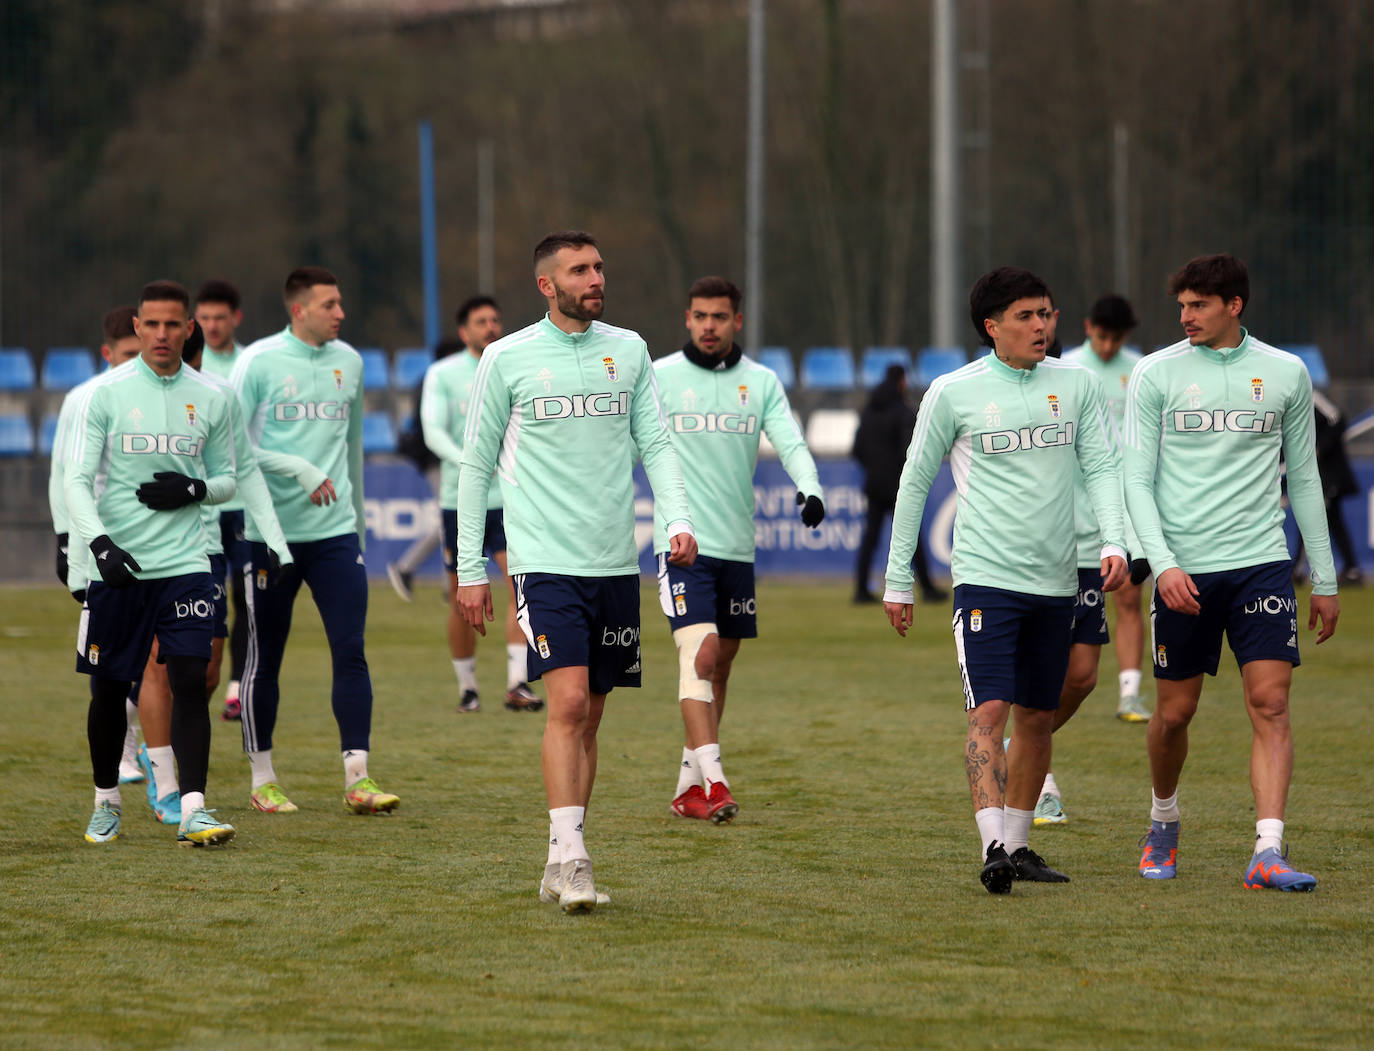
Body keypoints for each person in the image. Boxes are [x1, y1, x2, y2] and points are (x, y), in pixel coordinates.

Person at [455, 231, 696, 913]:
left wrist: (677, 520)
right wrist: (471, 565)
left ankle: (560, 855)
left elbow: (657, 443)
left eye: (598, 267)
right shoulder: (506, 358)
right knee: (563, 703)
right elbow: (474, 466)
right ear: (546, 284)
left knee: (589, 716)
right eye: (580, 270)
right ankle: (577, 859)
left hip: (614, 564)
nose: (595, 278)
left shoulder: (631, 350)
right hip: (542, 563)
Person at [883, 266, 1127, 894]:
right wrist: (898, 580)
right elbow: (913, 482)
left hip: (1056, 583)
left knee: (1040, 718)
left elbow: (1101, 464)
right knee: (989, 711)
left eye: (1046, 313)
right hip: (986, 581)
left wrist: (1114, 538)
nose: (1041, 325)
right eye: (1025, 316)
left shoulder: (1075, 386)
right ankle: (992, 843)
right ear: (992, 327)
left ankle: (1019, 846)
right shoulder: (953, 391)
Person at [1123, 254, 1339, 891]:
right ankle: (1164, 821)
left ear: (1233, 305)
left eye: (1198, 305)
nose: (1185, 316)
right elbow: (1136, 477)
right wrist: (1161, 564)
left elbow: (1302, 477)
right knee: (1174, 715)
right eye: (1182, 306)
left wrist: (1321, 577)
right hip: (1182, 572)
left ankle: (1268, 849)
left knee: (1270, 703)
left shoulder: (1285, 373)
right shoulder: (1155, 374)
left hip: (1261, 566)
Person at [62, 280, 239, 847]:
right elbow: (75, 480)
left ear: (189, 329)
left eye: (173, 325)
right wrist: (99, 546)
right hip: (118, 567)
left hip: (186, 561)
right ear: (136, 329)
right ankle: (105, 802)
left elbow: (231, 478)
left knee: (191, 679)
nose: (162, 334)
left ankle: (193, 808)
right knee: (109, 689)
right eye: (152, 324)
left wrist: (195, 489)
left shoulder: (213, 397)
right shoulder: (105, 395)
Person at [653, 275, 824, 824]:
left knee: (720, 666)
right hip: (681, 544)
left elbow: (791, 439)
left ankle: (688, 787)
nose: (708, 326)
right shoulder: (657, 377)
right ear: (687, 318)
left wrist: (811, 487)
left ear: (737, 321)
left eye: (719, 317)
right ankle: (718, 781)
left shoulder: (762, 382)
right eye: (699, 315)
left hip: (736, 548)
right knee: (698, 655)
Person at [230, 266, 399, 816]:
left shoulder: (350, 363)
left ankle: (358, 778)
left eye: (340, 302)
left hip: (335, 535)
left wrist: (359, 523)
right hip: (269, 536)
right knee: (265, 659)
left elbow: (351, 447)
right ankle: (263, 779)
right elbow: (228, 451)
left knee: (351, 651)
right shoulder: (256, 361)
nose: (341, 313)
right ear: (298, 310)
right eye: (330, 304)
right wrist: (299, 467)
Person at [134, 327, 294, 825]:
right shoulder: (137, 405)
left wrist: (275, 540)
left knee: (203, 670)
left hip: (207, 548)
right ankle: (166, 783)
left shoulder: (214, 403)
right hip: (155, 554)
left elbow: (244, 467)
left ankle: (163, 750)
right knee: (161, 663)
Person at [418, 297, 543, 713]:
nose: (491, 326)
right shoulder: (443, 374)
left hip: (509, 500)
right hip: (461, 502)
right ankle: (468, 688)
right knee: (463, 597)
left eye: (495, 319)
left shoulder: (511, 365)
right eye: (480, 321)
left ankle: (516, 683)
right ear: (463, 332)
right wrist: (471, 463)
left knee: (517, 587)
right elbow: (432, 432)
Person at [49, 307, 147, 785]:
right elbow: (64, 475)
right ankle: (120, 761)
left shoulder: (150, 397)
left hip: (152, 553)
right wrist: (66, 539)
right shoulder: (83, 398)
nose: (135, 361)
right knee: (110, 668)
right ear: (109, 353)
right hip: (98, 555)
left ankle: (142, 747)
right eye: (127, 353)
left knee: (162, 663)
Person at [1062, 294, 1150, 722]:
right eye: (1101, 336)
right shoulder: (1068, 368)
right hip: (1074, 506)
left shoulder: (1139, 370)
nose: (1108, 346)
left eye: (1116, 338)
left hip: (1126, 500)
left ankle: (1130, 693)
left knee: (1131, 596)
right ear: (1086, 326)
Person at [193, 279, 252, 721]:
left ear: (236, 318)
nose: (212, 326)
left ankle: (237, 686)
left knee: (246, 599)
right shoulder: (188, 364)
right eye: (205, 318)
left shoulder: (249, 364)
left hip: (244, 503)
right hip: (202, 509)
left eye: (220, 317)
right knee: (204, 604)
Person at [852, 363, 946, 605]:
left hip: (874, 485)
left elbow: (857, 449)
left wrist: (873, 470)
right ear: (902, 381)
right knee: (910, 536)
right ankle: (927, 588)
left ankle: (861, 590)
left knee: (870, 540)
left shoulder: (869, 410)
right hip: (896, 485)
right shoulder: (904, 412)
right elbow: (911, 452)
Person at [386, 339, 461, 602]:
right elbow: (430, 427)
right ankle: (409, 568)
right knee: (451, 518)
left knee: (453, 519)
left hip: (445, 459)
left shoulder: (437, 379)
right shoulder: (434, 380)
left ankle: (443, 582)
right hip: (436, 460)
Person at [1291, 389, 1363, 586]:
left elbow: (1337, 418)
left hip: (1329, 475)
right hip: (1314, 475)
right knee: (1331, 522)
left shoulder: (1309, 395)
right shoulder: (1279, 403)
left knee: (1312, 519)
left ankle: (1299, 570)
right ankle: (1351, 568)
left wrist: (1319, 448)